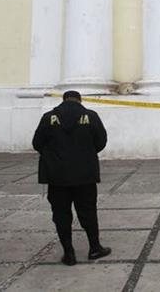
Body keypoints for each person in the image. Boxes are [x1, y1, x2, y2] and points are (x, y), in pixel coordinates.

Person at [32, 90, 111, 265]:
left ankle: (69, 253)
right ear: (80, 100)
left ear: (64, 99)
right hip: (85, 175)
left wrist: (54, 157)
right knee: (88, 211)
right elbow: (101, 141)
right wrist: (85, 154)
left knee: (61, 214)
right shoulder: (91, 116)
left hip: (57, 176)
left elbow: (37, 143)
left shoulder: (48, 117)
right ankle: (94, 248)